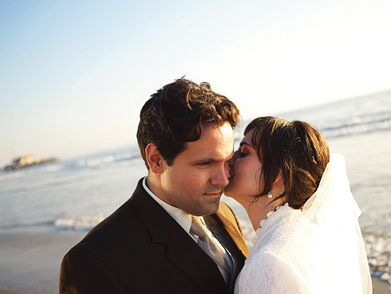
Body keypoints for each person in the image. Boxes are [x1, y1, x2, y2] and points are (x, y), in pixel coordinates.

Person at [59, 79, 249, 294]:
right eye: (205, 163)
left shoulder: (225, 213)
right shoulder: (93, 260)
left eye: (227, 161)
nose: (223, 179)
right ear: (156, 160)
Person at [224, 116, 372, 294]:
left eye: (243, 152)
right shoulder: (307, 236)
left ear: (276, 173)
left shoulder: (270, 262)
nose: (229, 158)